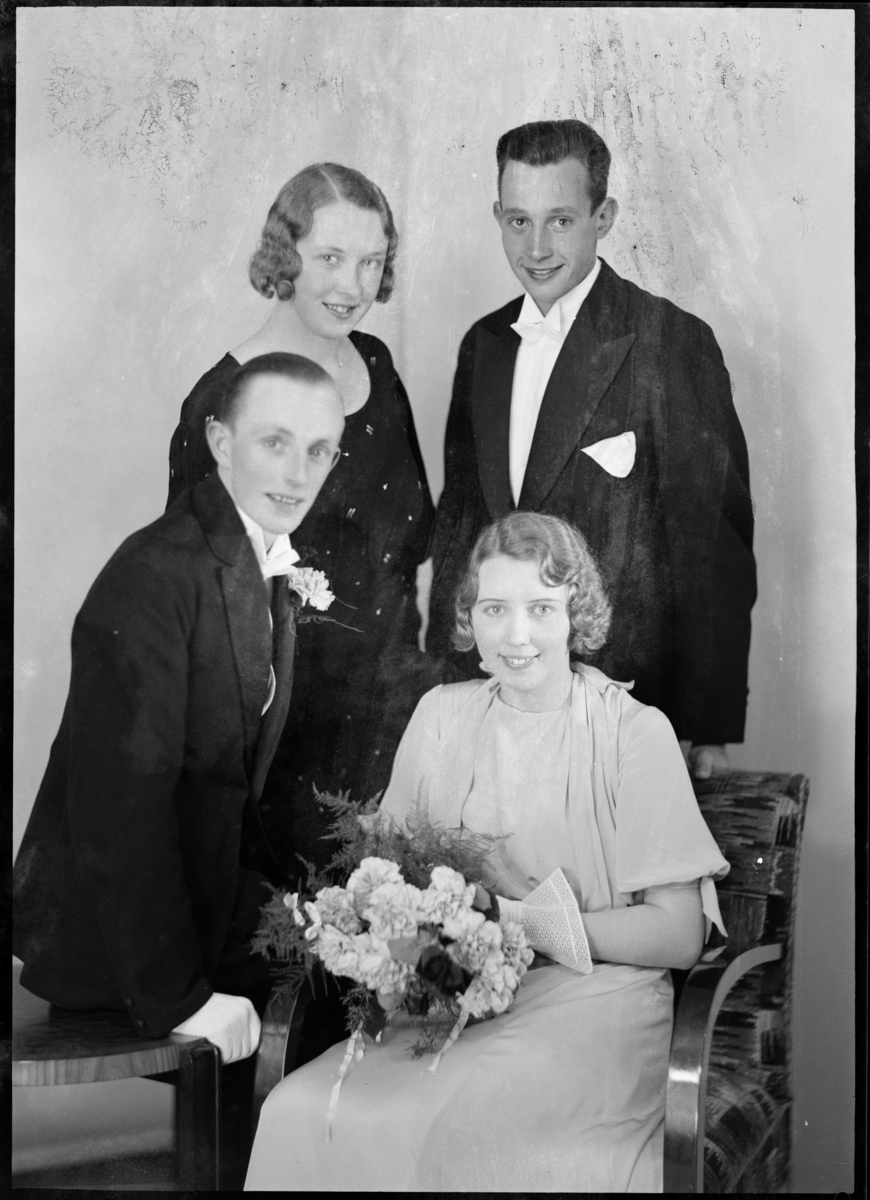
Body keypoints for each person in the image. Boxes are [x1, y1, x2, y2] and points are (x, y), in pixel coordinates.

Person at [245, 512, 729, 1193]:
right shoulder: (440, 716)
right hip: (456, 993)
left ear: (576, 614)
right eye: (495, 608)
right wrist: (429, 967)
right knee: (298, 1109)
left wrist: (520, 920)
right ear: (469, 618)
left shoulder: (634, 733)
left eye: (541, 608)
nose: (516, 634)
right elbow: (388, 890)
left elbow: (679, 935)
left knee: (432, 1123)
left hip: (595, 1007)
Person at [14, 352, 345, 1056]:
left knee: (407, 970)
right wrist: (181, 999)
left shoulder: (259, 557)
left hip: (213, 899)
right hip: (123, 948)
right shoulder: (153, 574)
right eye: (275, 442)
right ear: (222, 442)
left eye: (318, 451)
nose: (298, 474)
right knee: (357, 1014)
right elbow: (117, 808)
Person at [426, 119, 756, 782]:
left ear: (603, 216)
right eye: (518, 221)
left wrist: (703, 726)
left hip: (626, 707)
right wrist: (441, 687)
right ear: (497, 216)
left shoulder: (670, 340)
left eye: (561, 220)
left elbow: (713, 552)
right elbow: (460, 528)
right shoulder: (483, 345)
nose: (537, 248)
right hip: (495, 701)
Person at [166, 163, 436, 875]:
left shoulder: (376, 363)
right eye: (330, 258)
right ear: (285, 257)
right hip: (284, 739)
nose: (353, 285)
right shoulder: (222, 401)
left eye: (371, 262)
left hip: (397, 717)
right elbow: (198, 612)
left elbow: (412, 546)